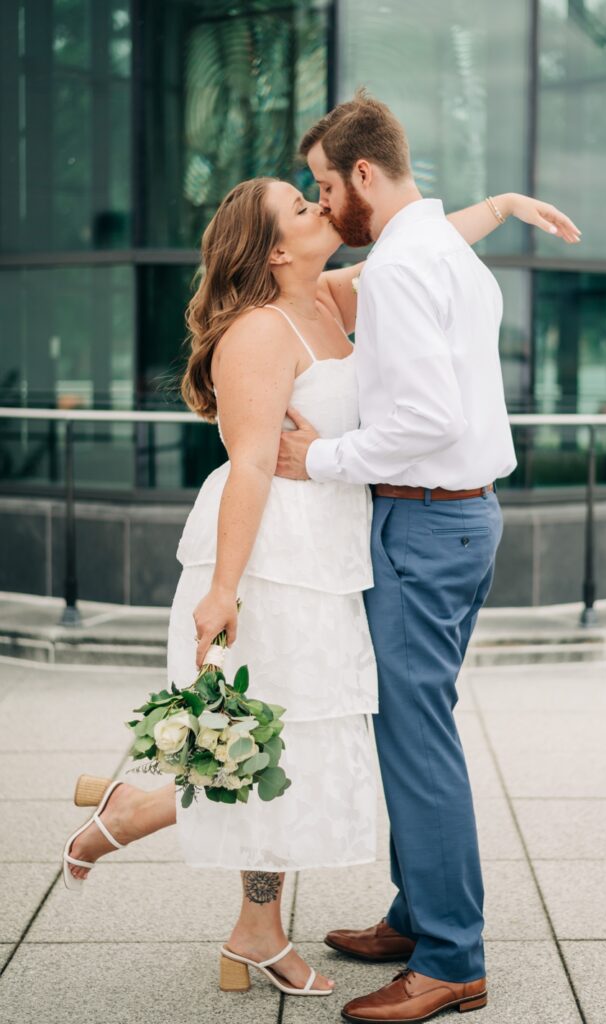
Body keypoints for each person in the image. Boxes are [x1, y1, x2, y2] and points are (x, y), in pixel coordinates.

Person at [60, 104, 579, 1004]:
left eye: (321, 190)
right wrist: (223, 588)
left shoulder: (337, 294)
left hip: (351, 542)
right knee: (280, 727)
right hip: (281, 551)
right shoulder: (263, 328)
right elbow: (252, 463)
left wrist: (496, 205)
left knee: (322, 733)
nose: (319, 208)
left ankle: (156, 819)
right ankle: (239, 898)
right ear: (271, 249)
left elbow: (419, 245)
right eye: (301, 207)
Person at [274, 90, 580, 1022]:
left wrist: (314, 457)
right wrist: (508, 204)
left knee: (417, 743)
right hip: (457, 517)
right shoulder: (435, 244)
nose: (323, 204)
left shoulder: (404, 268)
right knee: (416, 727)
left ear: (363, 172)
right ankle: (417, 917)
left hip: (424, 521)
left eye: (326, 185)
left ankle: (450, 959)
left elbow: (421, 421)